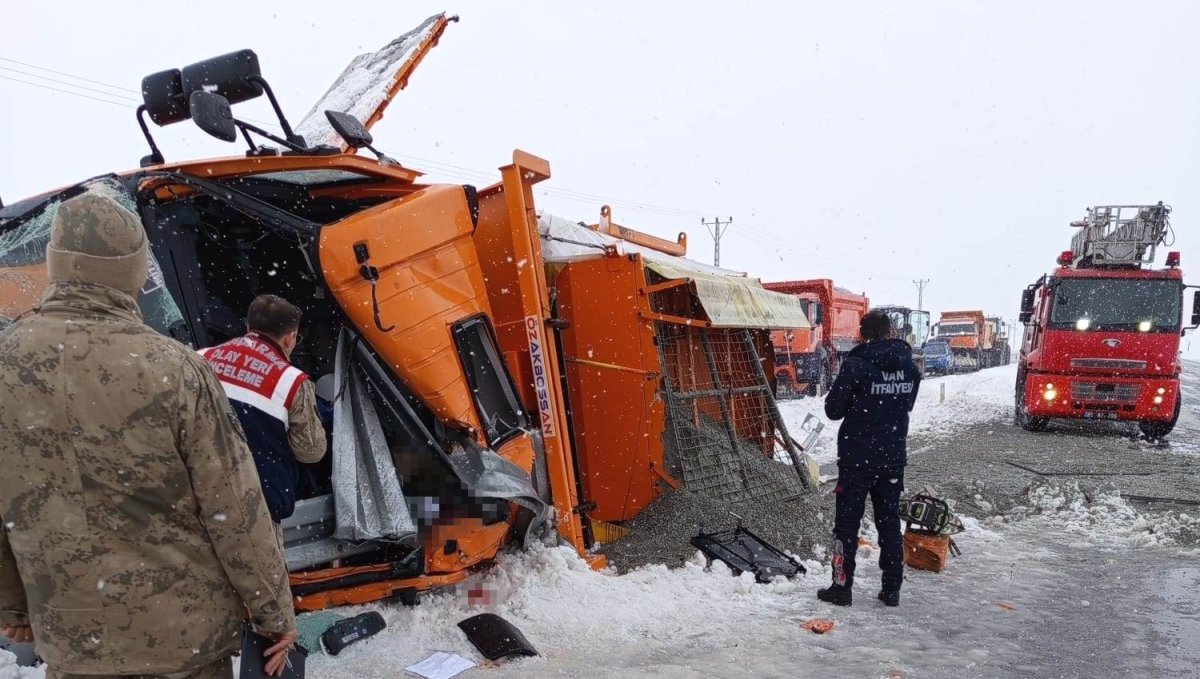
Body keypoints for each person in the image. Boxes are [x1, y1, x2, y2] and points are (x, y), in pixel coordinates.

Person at [0, 190, 298, 678]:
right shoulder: (175, 369)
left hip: (73, 638)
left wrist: (12, 603)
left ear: (55, 265)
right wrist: (272, 612)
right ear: (135, 272)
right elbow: (235, 508)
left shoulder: (5, 365)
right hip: (182, 643)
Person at [818, 310, 921, 607]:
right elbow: (907, 404)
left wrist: (858, 399)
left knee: (846, 526)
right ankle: (892, 589)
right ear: (890, 331)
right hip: (892, 456)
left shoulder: (856, 365)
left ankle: (841, 587)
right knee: (889, 523)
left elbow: (833, 410)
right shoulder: (909, 367)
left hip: (857, 458)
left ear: (863, 334)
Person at [199, 295, 326, 524]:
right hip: (259, 504)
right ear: (290, 339)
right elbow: (311, 452)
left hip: (201, 489)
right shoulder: (292, 381)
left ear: (248, 327)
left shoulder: (201, 358)